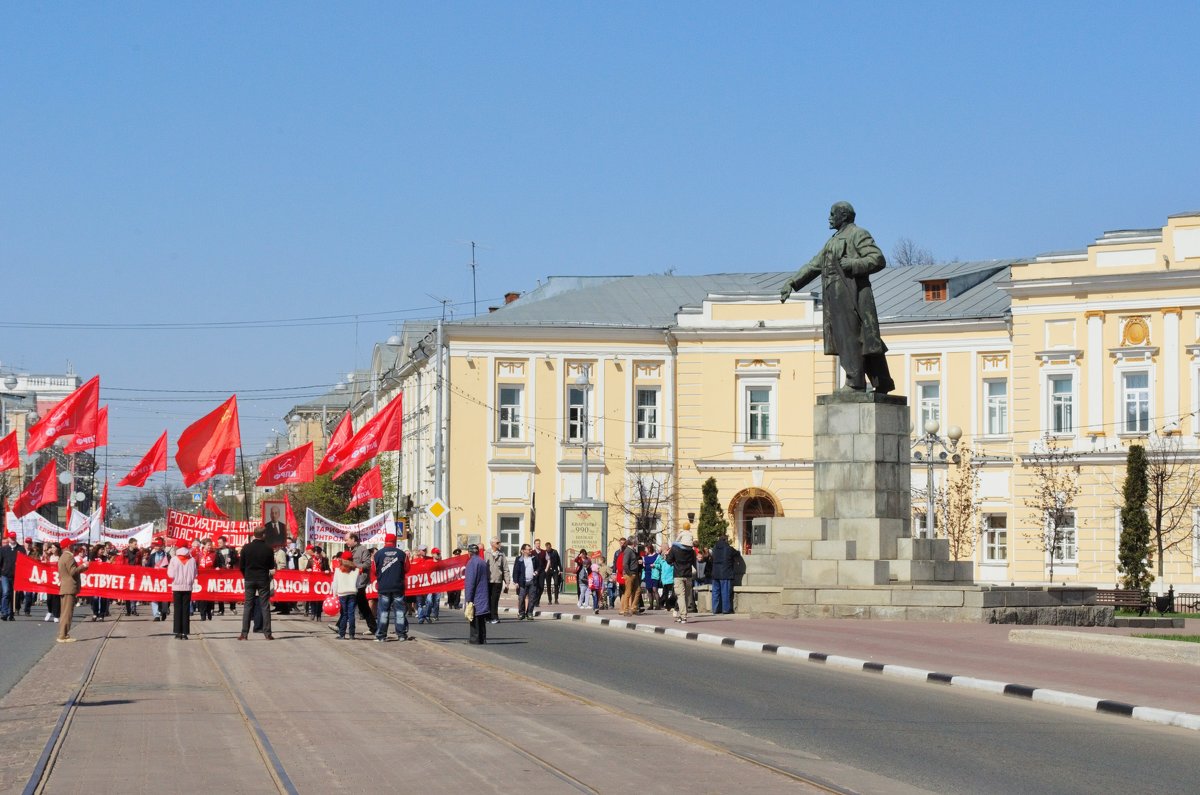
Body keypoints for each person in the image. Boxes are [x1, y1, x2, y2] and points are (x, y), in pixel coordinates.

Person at [780, 201, 895, 394]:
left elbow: (877, 259)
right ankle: (882, 381)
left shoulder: (858, 234)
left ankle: (854, 382)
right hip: (835, 294)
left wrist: (853, 263)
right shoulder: (833, 240)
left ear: (844, 215)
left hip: (852, 293)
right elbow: (814, 265)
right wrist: (792, 282)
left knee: (851, 337)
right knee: (858, 338)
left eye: (832, 213)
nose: (829, 217)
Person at [238, 527, 276, 640]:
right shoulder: (268, 549)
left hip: (249, 578)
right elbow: (271, 566)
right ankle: (267, 633)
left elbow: (241, 566)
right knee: (265, 606)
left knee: (248, 606)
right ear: (263, 535)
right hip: (263, 579)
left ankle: (244, 634)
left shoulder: (246, 547)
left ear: (254, 535)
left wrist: (246, 576)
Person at [372, 533, 409, 642]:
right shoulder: (402, 554)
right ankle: (401, 635)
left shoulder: (378, 554)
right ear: (395, 541)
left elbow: (374, 571)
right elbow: (407, 568)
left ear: (385, 541)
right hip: (398, 586)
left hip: (383, 587)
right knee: (399, 612)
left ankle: (381, 636)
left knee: (383, 612)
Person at [346, 533, 378, 636]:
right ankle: (373, 627)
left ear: (353, 539)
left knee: (350, 604)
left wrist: (353, 565)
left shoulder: (362, 549)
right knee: (362, 605)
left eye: (347, 540)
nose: (346, 542)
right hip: (353, 580)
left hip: (360, 581)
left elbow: (367, 564)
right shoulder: (350, 550)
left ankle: (340, 626)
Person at [57, 539, 89, 642]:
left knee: (65, 612)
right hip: (69, 588)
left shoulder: (62, 557)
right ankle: (63, 635)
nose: (73, 545)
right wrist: (84, 566)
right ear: (68, 546)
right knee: (67, 612)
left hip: (65, 587)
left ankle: (63, 634)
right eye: (71, 544)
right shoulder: (69, 557)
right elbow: (73, 571)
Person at [666, 532, 697, 624]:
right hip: (688, 575)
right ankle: (681, 615)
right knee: (686, 596)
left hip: (678, 575)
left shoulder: (675, 549)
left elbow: (668, 560)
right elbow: (694, 563)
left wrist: (669, 556)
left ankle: (683, 616)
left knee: (680, 596)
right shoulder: (691, 551)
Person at [168, 542, 197, 639]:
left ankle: (177, 632)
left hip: (177, 586)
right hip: (188, 587)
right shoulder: (192, 559)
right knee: (186, 610)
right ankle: (185, 633)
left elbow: (170, 574)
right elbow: (195, 574)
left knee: (177, 609)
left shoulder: (174, 559)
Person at [464, 543, 490, 644]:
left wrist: (468, 598)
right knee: (481, 617)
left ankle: (475, 639)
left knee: (473, 616)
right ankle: (482, 638)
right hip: (483, 592)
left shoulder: (471, 563)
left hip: (476, 594)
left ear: (469, 552)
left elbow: (470, 582)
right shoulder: (482, 562)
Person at [709, 534, 741, 615]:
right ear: (726, 540)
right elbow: (737, 553)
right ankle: (725, 610)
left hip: (715, 573)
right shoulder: (729, 549)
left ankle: (715, 609)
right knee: (725, 592)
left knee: (715, 592)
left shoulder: (714, 549)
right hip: (725, 573)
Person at [333, 551, 359, 639]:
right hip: (352, 593)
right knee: (351, 614)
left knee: (344, 614)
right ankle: (352, 634)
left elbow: (335, 583)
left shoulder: (338, 570)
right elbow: (358, 583)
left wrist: (334, 594)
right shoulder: (356, 570)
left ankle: (342, 634)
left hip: (342, 593)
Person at [513, 543, 542, 620]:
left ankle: (529, 613)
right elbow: (515, 571)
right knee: (521, 598)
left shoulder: (534, 558)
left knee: (532, 598)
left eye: (530, 549)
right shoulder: (519, 559)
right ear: (523, 551)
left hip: (532, 581)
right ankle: (521, 613)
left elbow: (539, 566)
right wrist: (515, 582)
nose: (530, 550)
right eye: (529, 549)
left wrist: (536, 571)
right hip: (522, 582)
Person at [485, 537, 509, 625]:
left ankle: (494, 617)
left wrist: (507, 582)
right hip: (487, 580)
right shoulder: (486, 553)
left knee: (495, 600)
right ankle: (487, 617)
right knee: (487, 599)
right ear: (492, 544)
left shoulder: (502, 554)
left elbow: (505, 569)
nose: (499, 544)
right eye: (497, 543)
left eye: (499, 542)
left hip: (498, 581)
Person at [214, 535, 238, 615]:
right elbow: (216, 562)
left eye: (220, 542)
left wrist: (231, 561)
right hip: (221, 572)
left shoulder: (231, 550)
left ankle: (233, 607)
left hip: (230, 572)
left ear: (225, 542)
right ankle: (221, 609)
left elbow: (236, 560)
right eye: (218, 542)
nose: (219, 544)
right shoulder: (217, 551)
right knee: (221, 591)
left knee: (231, 590)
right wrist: (217, 567)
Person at [195, 538, 217, 621]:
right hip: (201, 577)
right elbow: (195, 564)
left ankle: (209, 611)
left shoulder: (214, 554)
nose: (210, 546)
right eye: (208, 545)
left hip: (211, 577)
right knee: (202, 596)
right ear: (204, 545)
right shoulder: (199, 554)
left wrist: (218, 568)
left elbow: (217, 564)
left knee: (210, 596)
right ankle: (202, 614)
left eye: (211, 545)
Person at [619, 536, 642, 617]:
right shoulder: (628, 551)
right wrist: (629, 573)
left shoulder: (632, 550)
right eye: (636, 541)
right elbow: (625, 564)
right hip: (630, 574)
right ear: (633, 542)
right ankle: (625, 610)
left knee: (638, 590)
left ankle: (633, 608)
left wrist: (637, 561)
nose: (637, 543)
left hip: (634, 573)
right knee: (628, 592)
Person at [305, 546, 330, 620]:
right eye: (316, 553)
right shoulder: (310, 560)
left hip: (321, 581)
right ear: (314, 553)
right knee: (312, 597)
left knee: (320, 598)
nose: (318, 555)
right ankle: (313, 613)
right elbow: (306, 569)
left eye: (319, 553)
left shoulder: (324, 560)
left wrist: (327, 571)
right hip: (312, 581)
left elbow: (327, 568)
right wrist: (308, 570)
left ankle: (319, 614)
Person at [121, 539, 144, 616]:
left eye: (136, 544)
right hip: (126, 574)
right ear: (130, 544)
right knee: (127, 592)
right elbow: (122, 562)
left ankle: (134, 609)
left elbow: (140, 562)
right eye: (135, 544)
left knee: (134, 591)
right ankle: (128, 610)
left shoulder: (138, 552)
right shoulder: (124, 552)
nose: (136, 545)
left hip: (135, 574)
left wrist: (140, 570)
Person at [0, 532, 18, 621]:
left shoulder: (21, 549)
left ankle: (11, 613)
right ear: (9, 539)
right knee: (6, 592)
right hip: (5, 575)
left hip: (16, 576)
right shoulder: (3, 549)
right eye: (11, 538)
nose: (12, 539)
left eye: (14, 538)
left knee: (13, 595)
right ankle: (4, 612)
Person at [42, 542, 62, 623]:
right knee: (49, 598)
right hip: (50, 579)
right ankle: (50, 611)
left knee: (56, 598)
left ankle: (56, 615)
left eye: (54, 547)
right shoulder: (49, 557)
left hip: (57, 580)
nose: (53, 549)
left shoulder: (60, 557)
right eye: (52, 547)